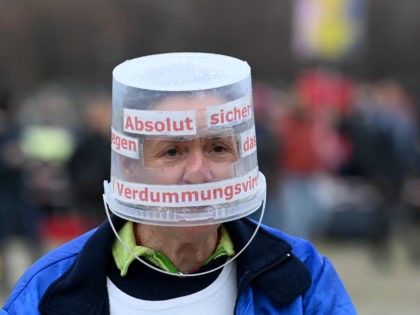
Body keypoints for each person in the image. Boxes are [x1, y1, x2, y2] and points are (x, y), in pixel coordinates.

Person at [1, 53, 356, 314]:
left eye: (218, 148)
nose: (198, 171)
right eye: (172, 151)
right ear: (130, 165)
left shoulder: (303, 276)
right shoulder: (47, 290)